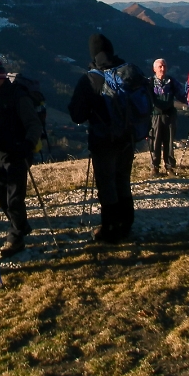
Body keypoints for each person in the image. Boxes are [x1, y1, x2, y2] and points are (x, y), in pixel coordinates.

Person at [68, 33, 138, 243]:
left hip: (103, 140)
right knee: (123, 180)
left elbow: (76, 114)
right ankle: (126, 224)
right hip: (128, 138)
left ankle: (110, 229)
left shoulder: (90, 79)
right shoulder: (128, 72)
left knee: (107, 184)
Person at [0, 57, 42, 257]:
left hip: (17, 154)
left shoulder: (18, 97)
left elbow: (33, 124)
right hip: (0, 154)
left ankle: (15, 239)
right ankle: (21, 225)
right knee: (2, 198)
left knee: (14, 199)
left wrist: (28, 145)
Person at [149, 58, 186, 177]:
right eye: (160, 66)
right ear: (154, 69)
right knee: (155, 141)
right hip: (155, 115)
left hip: (169, 115)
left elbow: (181, 94)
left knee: (169, 142)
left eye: (164, 66)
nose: (162, 68)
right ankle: (155, 167)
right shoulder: (149, 83)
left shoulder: (171, 82)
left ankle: (169, 166)